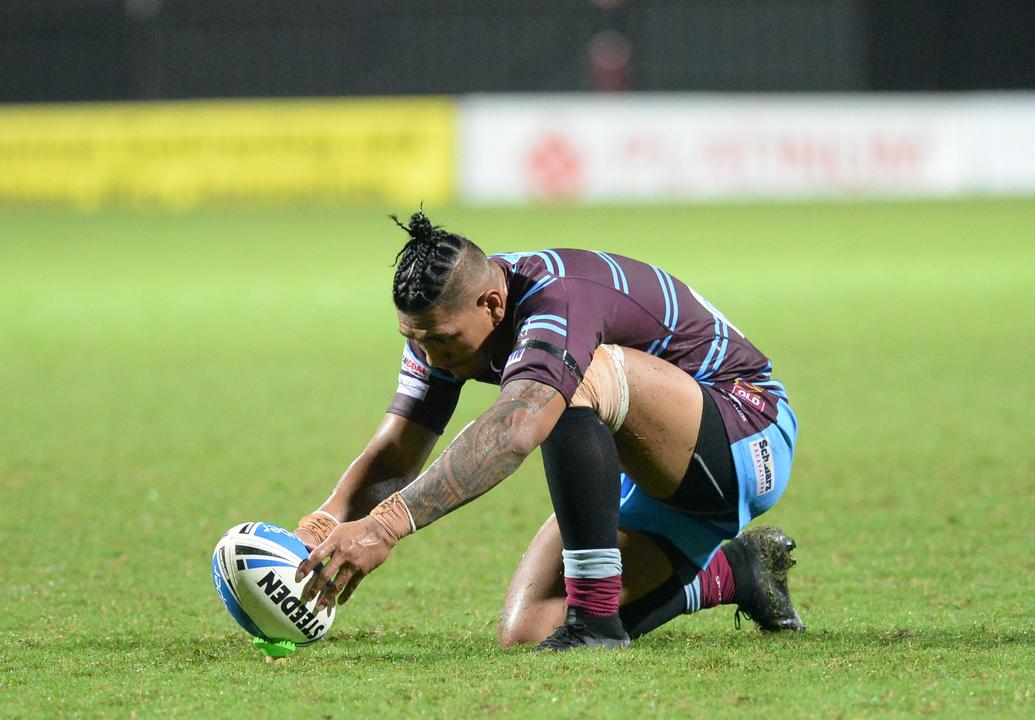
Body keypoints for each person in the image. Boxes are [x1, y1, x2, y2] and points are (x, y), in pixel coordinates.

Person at [292, 211, 802, 651]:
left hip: (745, 432)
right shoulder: (445, 323)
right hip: (653, 471)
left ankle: (597, 622)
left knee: (566, 383)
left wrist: (384, 528)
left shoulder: (557, 299)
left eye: (441, 341)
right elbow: (397, 453)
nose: (429, 357)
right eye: (415, 340)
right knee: (531, 630)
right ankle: (740, 571)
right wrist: (318, 527)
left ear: (492, 305)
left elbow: (517, 429)